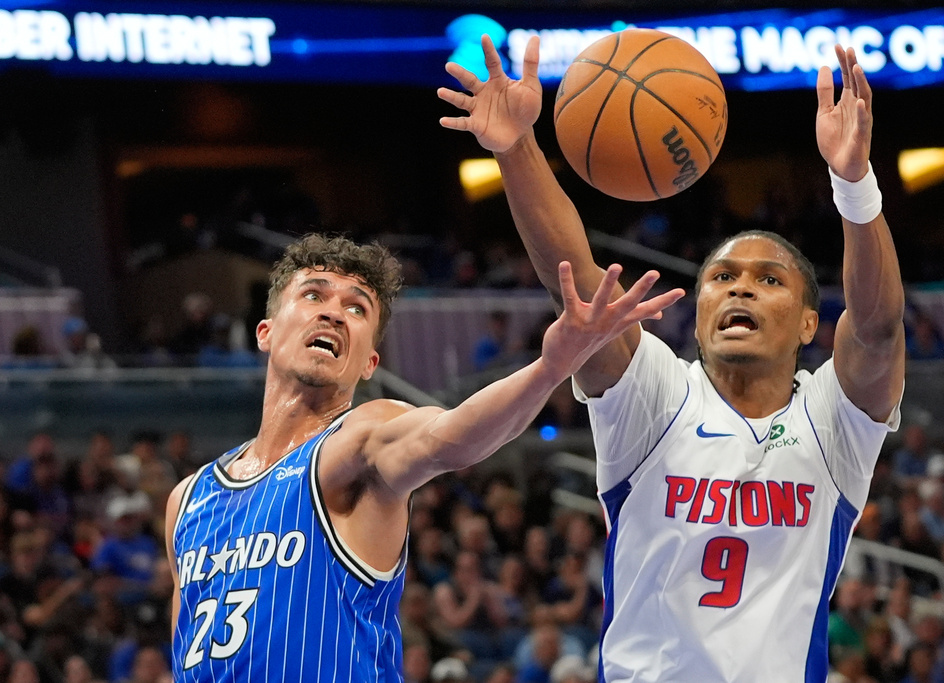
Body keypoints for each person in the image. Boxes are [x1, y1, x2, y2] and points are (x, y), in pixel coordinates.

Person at [441, 37, 904, 681]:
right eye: (722, 277)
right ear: (700, 305)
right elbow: (572, 284)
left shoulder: (834, 423)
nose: (740, 286)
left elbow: (879, 330)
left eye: (769, 280)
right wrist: (516, 149)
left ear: (808, 323)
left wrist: (853, 183)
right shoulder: (658, 394)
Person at [164, 233, 682, 681]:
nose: (332, 312)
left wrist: (550, 368)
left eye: (356, 307)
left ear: (370, 363)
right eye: (314, 294)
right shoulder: (186, 501)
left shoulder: (360, 438)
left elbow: (450, 438)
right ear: (266, 332)